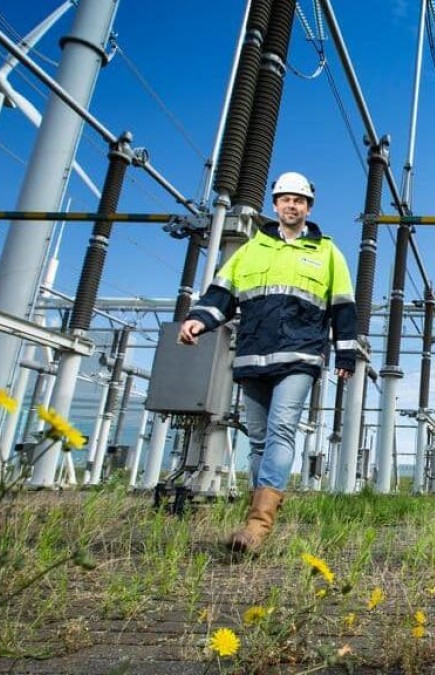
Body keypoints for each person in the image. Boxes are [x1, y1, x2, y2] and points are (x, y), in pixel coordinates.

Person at [179, 171, 357, 554]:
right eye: (285, 199)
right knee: (258, 439)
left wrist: (345, 353)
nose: (292, 205)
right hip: (253, 355)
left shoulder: (327, 252)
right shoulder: (251, 250)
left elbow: (343, 307)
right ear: (275, 205)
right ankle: (264, 505)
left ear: (308, 207)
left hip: (300, 355)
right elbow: (221, 294)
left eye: (299, 200)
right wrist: (199, 319)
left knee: (281, 429)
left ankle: (257, 526)